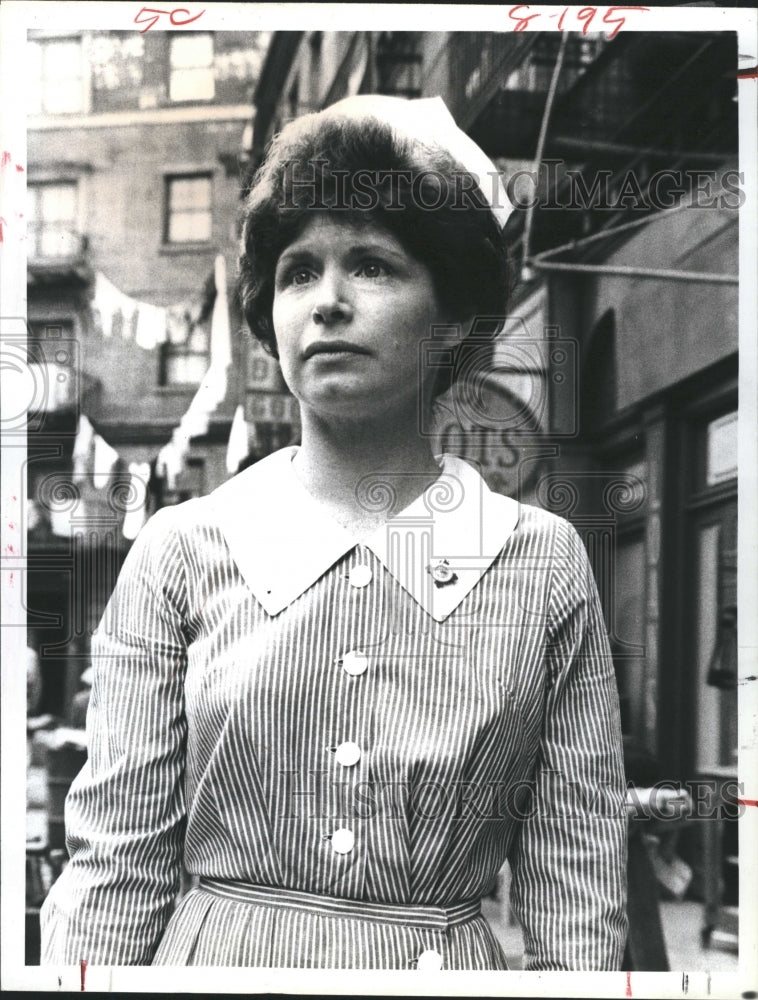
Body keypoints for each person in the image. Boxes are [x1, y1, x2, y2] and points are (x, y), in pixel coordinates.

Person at [41, 95, 628, 970]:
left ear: (454, 317)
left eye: (375, 266)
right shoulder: (185, 548)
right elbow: (116, 870)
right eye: (297, 271)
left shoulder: (533, 560)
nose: (328, 302)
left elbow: (576, 887)